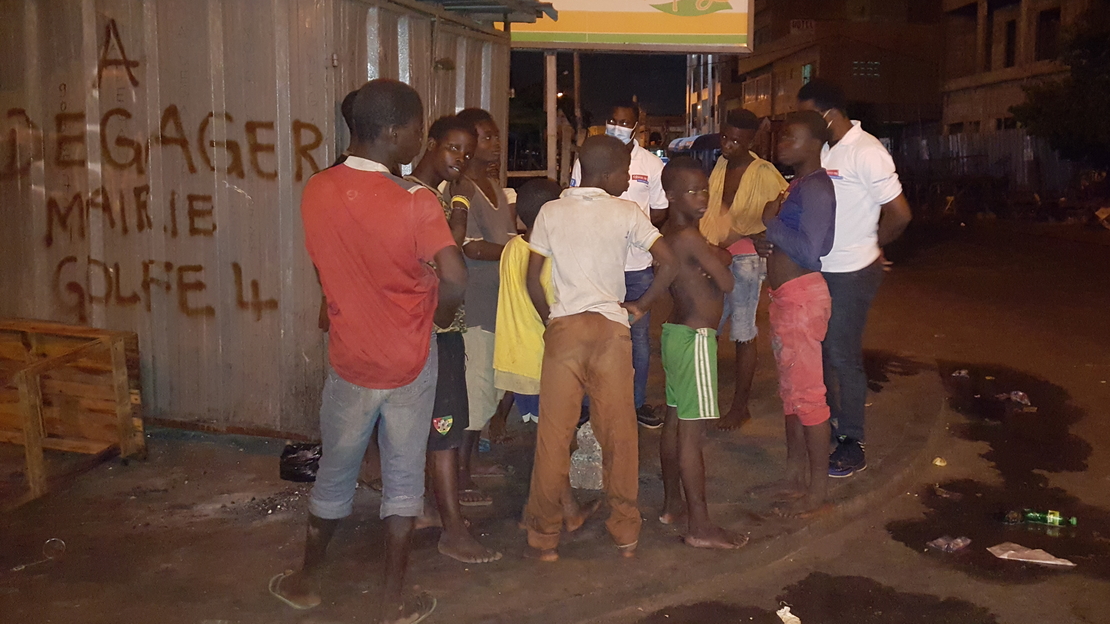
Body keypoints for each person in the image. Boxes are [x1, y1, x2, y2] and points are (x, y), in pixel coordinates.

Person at [271, 79, 466, 624]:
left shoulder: (317, 188)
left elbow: (328, 268)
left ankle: (307, 582)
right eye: (418, 130)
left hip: (350, 360)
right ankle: (392, 601)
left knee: (335, 471)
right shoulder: (415, 201)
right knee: (403, 480)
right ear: (396, 133)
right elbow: (454, 277)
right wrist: (439, 317)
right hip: (410, 361)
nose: (420, 141)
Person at [522, 135, 678, 562]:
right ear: (607, 174)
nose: (628, 180)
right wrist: (641, 306)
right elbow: (669, 262)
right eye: (625, 171)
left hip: (565, 332)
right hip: (611, 332)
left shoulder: (551, 211)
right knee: (620, 436)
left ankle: (544, 537)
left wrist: (550, 321)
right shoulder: (626, 211)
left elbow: (532, 278)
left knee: (554, 437)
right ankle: (625, 532)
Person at [797, 80, 912, 478]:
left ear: (828, 114)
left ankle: (852, 441)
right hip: (821, 269)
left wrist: (873, 247)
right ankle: (830, 421)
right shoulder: (824, 149)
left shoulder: (867, 152)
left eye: (807, 115)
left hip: (852, 273)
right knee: (822, 352)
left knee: (843, 354)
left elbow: (900, 214)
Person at [404, 115, 501, 564]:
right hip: (435, 329)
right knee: (445, 428)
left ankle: (422, 510)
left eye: (466, 151)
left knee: (428, 426)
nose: (460, 158)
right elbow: (452, 256)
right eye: (453, 148)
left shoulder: (428, 193)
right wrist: (461, 201)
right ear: (429, 143)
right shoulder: (421, 197)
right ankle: (453, 531)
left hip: (431, 329)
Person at [656, 157, 746, 550]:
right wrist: (718, 256)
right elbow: (727, 281)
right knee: (693, 435)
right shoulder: (692, 238)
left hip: (676, 334)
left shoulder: (670, 233)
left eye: (705, 189)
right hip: (696, 340)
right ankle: (701, 526)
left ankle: (672, 504)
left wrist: (714, 256)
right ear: (671, 195)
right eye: (692, 191)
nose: (703, 198)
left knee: (674, 421)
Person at [753, 111, 837, 516]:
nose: (782, 144)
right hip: (786, 297)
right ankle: (793, 476)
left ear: (815, 143)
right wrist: (769, 241)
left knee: (807, 397)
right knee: (790, 394)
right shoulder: (798, 185)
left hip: (802, 300)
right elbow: (809, 240)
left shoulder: (817, 186)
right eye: (782, 137)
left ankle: (817, 492)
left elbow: (811, 250)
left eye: (791, 138)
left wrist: (770, 223)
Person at [570, 102, 668, 429]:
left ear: (637, 126)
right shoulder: (588, 157)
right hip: (596, 264)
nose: (617, 126)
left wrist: (639, 236)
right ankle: (589, 405)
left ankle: (635, 404)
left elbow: (660, 211)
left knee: (637, 340)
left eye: (625, 122)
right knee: (594, 335)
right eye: (612, 120)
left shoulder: (651, 164)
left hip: (636, 266)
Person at [699, 109, 788, 431]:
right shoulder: (721, 166)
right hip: (716, 257)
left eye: (737, 140)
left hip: (747, 261)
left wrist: (762, 235)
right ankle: (703, 402)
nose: (728, 144)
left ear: (751, 141)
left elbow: (784, 208)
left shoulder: (763, 172)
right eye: (725, 137)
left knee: (743, 333)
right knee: (706, 329)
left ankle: (740, 407)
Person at [453, 107, 517, 505]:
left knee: (489, 389)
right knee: (474, 392)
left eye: (496, 136)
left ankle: (471, 463)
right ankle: (459, 477)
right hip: (475, 304)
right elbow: (470, 247)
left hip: (498, 303)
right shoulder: (461, 188)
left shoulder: (493, 186)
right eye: (486, 137)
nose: (495, 144)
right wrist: (520, 250)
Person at [493, 178, 562, 423]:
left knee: (534, 422)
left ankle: (500, 420)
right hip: (544, 361)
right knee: (552, 427)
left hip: (514, 357)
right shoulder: (551, 256)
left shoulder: (511, 248)